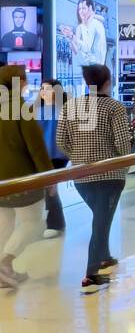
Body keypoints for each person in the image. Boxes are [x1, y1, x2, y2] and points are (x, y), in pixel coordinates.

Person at [57, 63, 131, 294]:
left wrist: (78, 157)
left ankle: (105, 256)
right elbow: (122, 144)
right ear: (108, 81)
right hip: (110, 175)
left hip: (81, 177)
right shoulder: (114, 107)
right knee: (101, 221)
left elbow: (61, 141)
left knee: (101, 216)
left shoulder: (71, 106)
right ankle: (90, 275)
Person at [0, 64, 53, 288]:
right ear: (19, 82)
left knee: (5, 223)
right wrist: (49, 177)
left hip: (2, 181)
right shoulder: (21, 108)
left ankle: (4, 272)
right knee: (33, 222)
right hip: (22, 178)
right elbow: (37, 148)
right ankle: (6, 262)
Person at [38, 79, 67, 237]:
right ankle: (53, 222)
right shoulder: (37, 111)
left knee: (50, 189)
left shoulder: (63, 111)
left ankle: (55, 223)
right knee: (46, 190)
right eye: (43, 89)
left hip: (57, 156)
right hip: (41, 156)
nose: (45, 92)